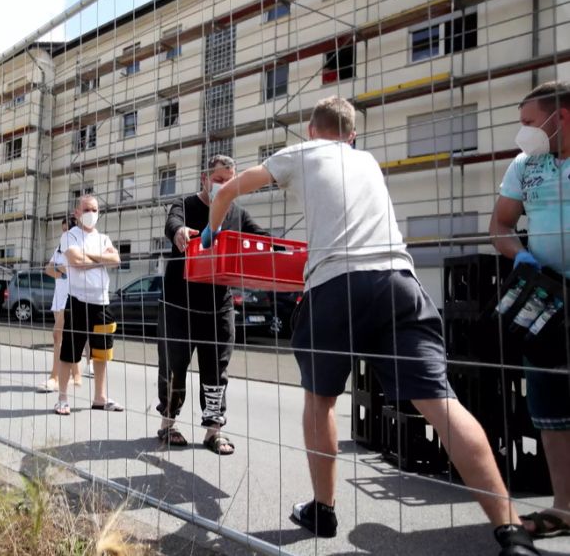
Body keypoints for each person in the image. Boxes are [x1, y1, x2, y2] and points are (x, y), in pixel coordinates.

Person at [208, 96, 538, 555]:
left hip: (335, 286)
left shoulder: (299, 153)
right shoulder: (366, 162)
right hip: (399, 281)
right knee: (442, 404)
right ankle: (511, 530)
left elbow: (226, 191)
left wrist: (212, 232)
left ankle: (323, 510)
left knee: (321, 401)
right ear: (352, 134)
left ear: (310, 129)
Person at [489, 81, 570, 540]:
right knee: (549, 408)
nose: (522, 134)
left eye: (527, 123)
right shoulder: (526, 165)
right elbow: (500, 223)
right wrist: (518, 252)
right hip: (546, 300)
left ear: (559, 118)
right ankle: (564, 508)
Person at [157, 154, 267, 455]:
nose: (224, 185)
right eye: (219, 180)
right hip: (179, 304)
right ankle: (168, 423)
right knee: (174, 365)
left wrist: (273, 249)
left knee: (216, 370)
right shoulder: (184, 204)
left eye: (230, 180)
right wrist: (179, 232)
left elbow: (260, 238)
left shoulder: (237, 214)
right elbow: (173, 224)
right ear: (205, 179)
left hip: (219, 304)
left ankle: (213, 430)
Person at [54, 195, 122, 415]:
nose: (91, 214)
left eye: (94, 209)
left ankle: (100, 397)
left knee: (101, 353)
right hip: (78, 301)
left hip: (102, 303)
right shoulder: (69, 236)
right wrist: (102, 259)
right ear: (77, 212)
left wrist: (90, 257)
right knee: (70, 351)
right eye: (86, 209)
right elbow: (75, 261)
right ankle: (63, 398)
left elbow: (116, 260)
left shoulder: (104, 238)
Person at [40, 217, 84, 392]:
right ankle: (77, 376)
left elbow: (75, 269)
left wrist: (62, 270)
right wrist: (62, 271)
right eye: (62, 229)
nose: (64, 233)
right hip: (58, 298)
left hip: (71, 298)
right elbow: (48, 270)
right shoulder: (59, 249)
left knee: (58, 336)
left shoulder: (78, 249)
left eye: (67, 229)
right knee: (65, 338)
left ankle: (54, 377)